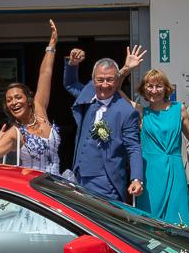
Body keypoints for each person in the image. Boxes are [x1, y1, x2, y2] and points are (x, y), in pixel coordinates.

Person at [62, 44, 145, 203]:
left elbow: (133, 147)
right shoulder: (88, 95)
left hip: (107, 182)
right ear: (93, 80)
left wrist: (136, 178)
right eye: (100, 80)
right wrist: (73, 64)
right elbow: (70, 84)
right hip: (79, 177)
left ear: (117, 81)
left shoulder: (127, 112)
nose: (105, 85)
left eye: (110, 80)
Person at [0, 20, 62, 172]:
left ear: (28, 99)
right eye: (9, 100)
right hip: (33, 191)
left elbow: (45, 74)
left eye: (17, 97)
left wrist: (52, 46)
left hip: (57, 184)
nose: (13, 102)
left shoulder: (40, 110)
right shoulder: (15, 133)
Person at [129, 69, 189, 225]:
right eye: (149, 86)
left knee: (177, 218)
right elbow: (115, 90)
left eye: (159, 86)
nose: (154, 90)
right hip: (150, 174)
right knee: (149, 220)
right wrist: (127, 68)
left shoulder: (179, 109)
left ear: (166, 89)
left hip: (175, 171)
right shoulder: (141, 112)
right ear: (144, 89)